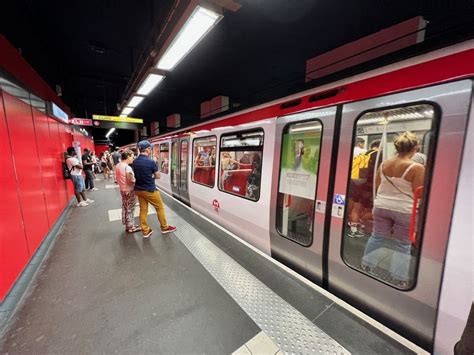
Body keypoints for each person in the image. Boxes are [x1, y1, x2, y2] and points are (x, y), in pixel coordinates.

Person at [361, 132, 425, 288]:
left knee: (377, 237)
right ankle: (398, 277)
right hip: (404, 209)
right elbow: (419, 190)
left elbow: (376, 183)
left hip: (382, 205)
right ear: (415, 148)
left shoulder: (384, 164)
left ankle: (367, 265)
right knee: (403, 244)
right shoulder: (416, 167)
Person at [133, 140, 176, 238]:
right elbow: (158, 176)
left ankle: (145, 231)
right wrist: (151, 176)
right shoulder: (151, 161)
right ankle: (164, 227)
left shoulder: (135, 161)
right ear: (147, 149)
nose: (150, 150)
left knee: (143, 210)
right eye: (150, 149)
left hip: (138, 190)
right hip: (149, 189)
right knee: (160, 207)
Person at [348, 140, 380, 237]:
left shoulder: (365, 153)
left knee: (356, 208)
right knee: (369, 210)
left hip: (356, 184)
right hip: (369, 186)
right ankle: (360, 224)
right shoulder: (379, 155)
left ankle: (353, 230)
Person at [115, 150, 141, 233]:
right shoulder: (127, 167)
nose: (133, 159)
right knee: (130, 208)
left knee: (125, 207)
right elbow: (131, 180)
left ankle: (128, 224)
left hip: (122, 189)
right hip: (129, 190)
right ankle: (131, 227)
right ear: (128, 157)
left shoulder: (118, 165)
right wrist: (137, 180)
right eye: (132, 157)